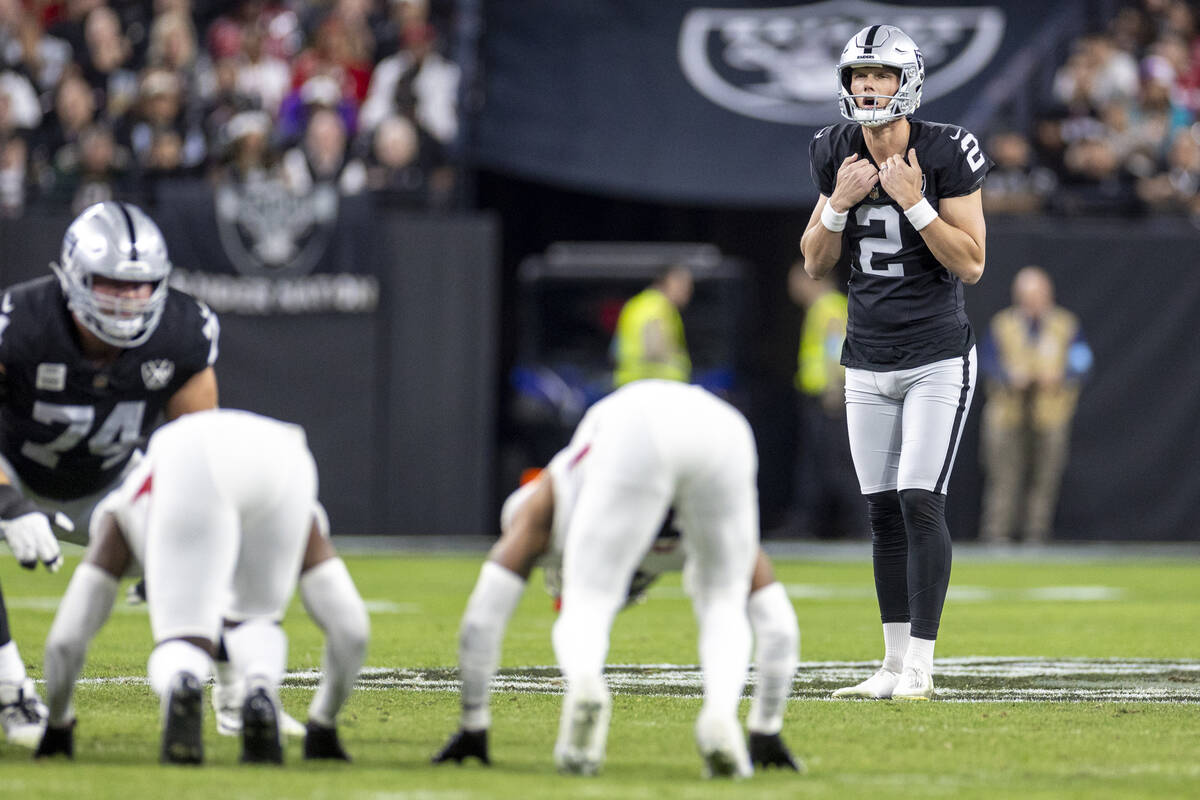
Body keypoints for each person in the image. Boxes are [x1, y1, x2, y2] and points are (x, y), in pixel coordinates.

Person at [433, 411, 802, 773]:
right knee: (723, 601)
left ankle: (585, 683)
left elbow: (486, 608)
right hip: (723, 431)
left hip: (634, 431)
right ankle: (722, 716)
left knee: (588, 602)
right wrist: (767, 729)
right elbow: (777, 625)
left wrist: (473, 723)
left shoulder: (544, 501)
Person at [799, 24, 992, 701]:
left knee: (918, 499)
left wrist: (913, 202)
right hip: (866, 358)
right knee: (881, 511)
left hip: (936, 355)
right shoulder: (834, 150)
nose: (867, 86)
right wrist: (839, 206)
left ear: (905, 81)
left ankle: (921, 667)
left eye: (879, 74)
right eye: (859, 75)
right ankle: (889, 665)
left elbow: (971, 263)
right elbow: (814, 261)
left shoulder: (946, 151)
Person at [33, 409, 369, 764]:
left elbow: (65, 641)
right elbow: (352, 631)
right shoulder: (289, 495)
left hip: (191, 456)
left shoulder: (119, 513)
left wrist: (57, 724)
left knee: (183, 642)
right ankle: (261, 689)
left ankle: (183, 679)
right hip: (288, 457)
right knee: (257, 620)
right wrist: (323, 725)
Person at [0, 200, 218, 745]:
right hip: (16, 473)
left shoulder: (182, 331)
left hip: (113, 483)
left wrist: (175, 534)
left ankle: (239, 696)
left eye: (140, 286)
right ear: (74, 277)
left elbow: (196, 450)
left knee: (219, 533)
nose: (128, 300)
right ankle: (8, 692)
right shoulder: (20, 324)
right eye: (112, 284)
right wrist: (6, 503)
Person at [978, 266, 1092, 544]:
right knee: (1004, 476)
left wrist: (1061, 375)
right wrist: (1008, 377)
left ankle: (1036, 535)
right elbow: (985, 361)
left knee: (1045, 478)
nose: (1033, 302)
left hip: (1050, 412)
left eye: (1037, 295)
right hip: (1008, 412)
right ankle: (997, 535)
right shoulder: (1003, 324)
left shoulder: (1065, 324)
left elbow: (1082, 360)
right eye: (1027, 296)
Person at [787, 260, 865, 539]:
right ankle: (808, 524)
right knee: (818, 465)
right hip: (817, 397)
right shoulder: (825, 306)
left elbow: (836, 346)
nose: (792, 287)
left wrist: (835, 387)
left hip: (827, 398)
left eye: (796, 279)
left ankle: (860, 526)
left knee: (838, 463)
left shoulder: (827, 306)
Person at [612, 265, 693, 388]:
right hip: (655, 388)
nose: (688, 291)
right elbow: (654, 348)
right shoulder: (658, 306)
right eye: (683, 284)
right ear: (667, 281)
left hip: (630, 384)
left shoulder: (636, 304)